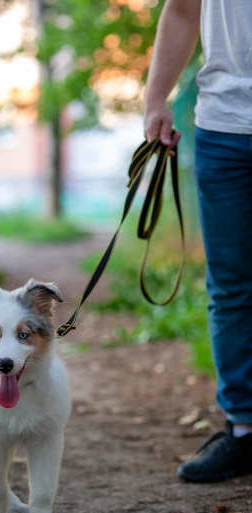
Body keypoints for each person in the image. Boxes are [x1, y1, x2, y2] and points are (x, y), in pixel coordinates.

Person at [143, 0, 252, 482]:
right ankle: (244, 432)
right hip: (223, 126)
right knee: (230, 286)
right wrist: (155, 97)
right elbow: (184, 9)